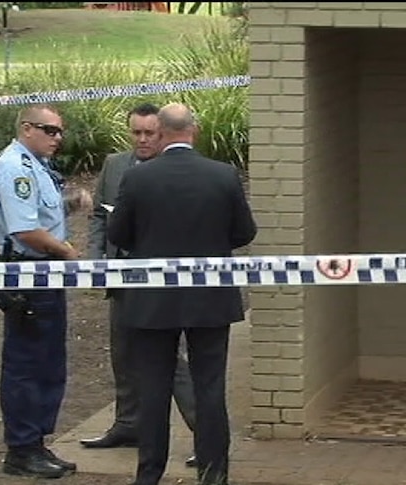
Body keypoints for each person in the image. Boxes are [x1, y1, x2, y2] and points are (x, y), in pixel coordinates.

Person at [107, 102, 257, 485]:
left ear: (160, 132)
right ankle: (213, 472)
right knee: (210, 387)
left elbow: (118, 235)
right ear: (195, 129)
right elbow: (244, 232)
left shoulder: (139, 178)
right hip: (210, 298)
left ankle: (149, 474)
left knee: (154, 390)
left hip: (153, 300)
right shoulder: (223, 175)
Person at [81, 102, 198, 468]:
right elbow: (100, 213)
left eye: (150, 133)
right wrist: (97, 258)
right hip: (120, 275)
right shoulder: (116, 166)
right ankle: (127, 424)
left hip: (161, 282)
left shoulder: (176, 170)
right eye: (136, 133)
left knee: (172, 362)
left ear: (163, 133)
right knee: (123, 353)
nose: (143, 140)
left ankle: (204, 432)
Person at [0, 103, 92, 479]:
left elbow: (37, 214)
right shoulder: (16, 167)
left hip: (42, 274)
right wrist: (66, 251)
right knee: (28, 364)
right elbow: (25, 231)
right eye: (50, 130)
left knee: (47, 362)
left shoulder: (34, 166)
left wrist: (68, 204)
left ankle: (35, 444)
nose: (57, 138)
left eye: (60, 131)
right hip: (28, 275)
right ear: (27, 128)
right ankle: (22, 448)